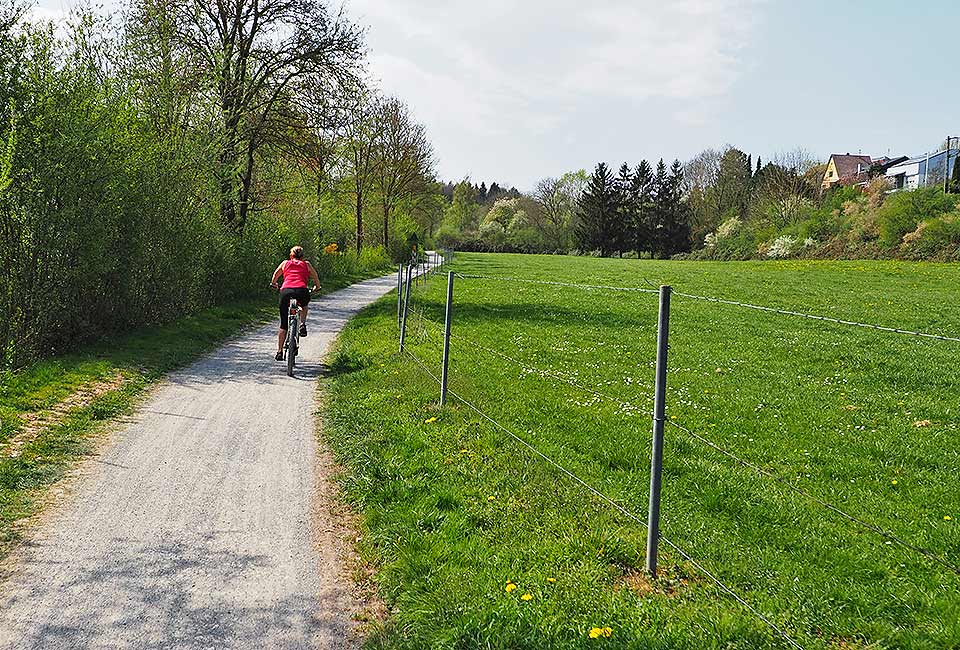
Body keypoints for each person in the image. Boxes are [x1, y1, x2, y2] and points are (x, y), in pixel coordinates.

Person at [271, 246, 320, 361]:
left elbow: (275, 276)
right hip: (301, 290)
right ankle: (302, 324)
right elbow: (315, 277)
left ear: (290, 255)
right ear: (302, 256)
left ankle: (279, 351)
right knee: (304, 305)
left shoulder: (284, 263)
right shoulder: (306, 264)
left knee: (283, 324)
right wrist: (317, 287)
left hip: (286, 291)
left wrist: (274, 283)